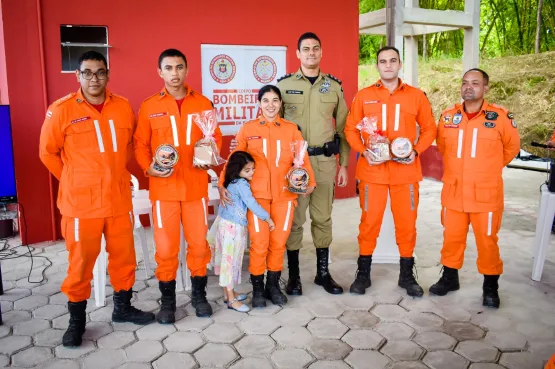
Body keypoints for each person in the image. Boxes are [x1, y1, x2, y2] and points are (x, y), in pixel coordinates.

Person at [39, 51, 154, 347]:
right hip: (81, 205)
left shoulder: (123, 107)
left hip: (118, 200)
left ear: (108, 74)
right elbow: (47, 152)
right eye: (87, 73)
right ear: (77, 76)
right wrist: (72, 178)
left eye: (100, 72)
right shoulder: (61, 110)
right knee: (80, 265)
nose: (94, 78)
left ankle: (123, 308)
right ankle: (77, 320)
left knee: (125, 259)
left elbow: (129, 148)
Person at [134, 49, 222, 321]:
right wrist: (148, 167)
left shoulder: (203, 103)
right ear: (160, 72)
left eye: (179, 67)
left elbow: (214, 137)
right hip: (164, 191)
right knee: (166, 248)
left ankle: (198, 296)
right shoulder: (150, 106)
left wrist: (209, 157)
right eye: (169, 68)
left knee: (198, 246)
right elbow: (141, 144)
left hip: (195, 189)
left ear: (187, 70)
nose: (174, 73)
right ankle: (168, 301)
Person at [345, 46, 437, 297]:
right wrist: (364, 151)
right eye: (383, 61)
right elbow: (350, 129)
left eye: (392, 61)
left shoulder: (416, 96)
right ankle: (363, 274)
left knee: (407, 225)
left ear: (399, 64)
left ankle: (407, 275)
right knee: (368, 224)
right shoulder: (364, 96)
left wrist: (415, 151)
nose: (387, 65)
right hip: (372, 173)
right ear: (377, 66)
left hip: (405, 174)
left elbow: (429, 129)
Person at [430, 68, 520, 308]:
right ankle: (450, 278)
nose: (468, 87)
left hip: (485, 193)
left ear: (485, 88)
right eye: (465, 83)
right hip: (454, 191)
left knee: (487, 241)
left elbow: (511, 148)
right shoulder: (448, 117)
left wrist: (486, 168)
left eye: (475, 83)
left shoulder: (500, 117)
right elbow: (442, 146)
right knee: (452, 237)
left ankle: (490, 286)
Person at [219, 85, 316, 307]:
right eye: (266, 100)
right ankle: (258, 288)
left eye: (275, 100)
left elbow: (302, 159)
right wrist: (223, 183)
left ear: (281, 103)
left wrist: (309, 181)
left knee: (278, 243)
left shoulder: (291, 129)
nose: (270, 105)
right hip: (257, 198)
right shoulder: (248, 128)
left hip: (285, 196)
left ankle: (273, 285)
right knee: (260, 244)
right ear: (259, 103)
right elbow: (235, 158)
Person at [207, 151, 276, 313]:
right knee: (230, 263)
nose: (251, 172)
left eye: (252, 169)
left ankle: (228, 294)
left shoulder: (232, 183)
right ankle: (231, 300)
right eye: (247, 170)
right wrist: (267, 218)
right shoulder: (242, 185)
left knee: (225, 261)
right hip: (233, 228)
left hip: (224, 224)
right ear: (237, 169)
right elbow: (251, 203)